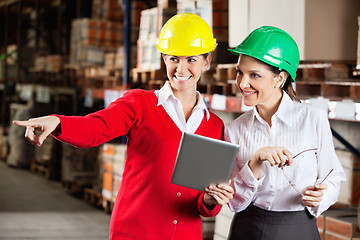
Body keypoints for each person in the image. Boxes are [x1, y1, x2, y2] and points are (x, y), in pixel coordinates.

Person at [13, 13, 234, 240]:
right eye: (174, 58)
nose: (181, 68)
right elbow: (95, 128)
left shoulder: (214, 126)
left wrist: (210, 200)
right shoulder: (140, 103)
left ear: (206, 62)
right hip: (135, 231)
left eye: (191, 60)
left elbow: (204, 201)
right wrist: (58, 121)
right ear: (164, 58)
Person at [224, 26, 346, 240]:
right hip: (247, 229)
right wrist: (255, 162)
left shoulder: (312, 120)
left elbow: (333, 175)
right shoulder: (234, 130)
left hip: (298, 229)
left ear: (279, 78)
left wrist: (321, 195)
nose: (243, 83)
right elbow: (234, 201)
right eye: (240, 72)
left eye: (254, 75)